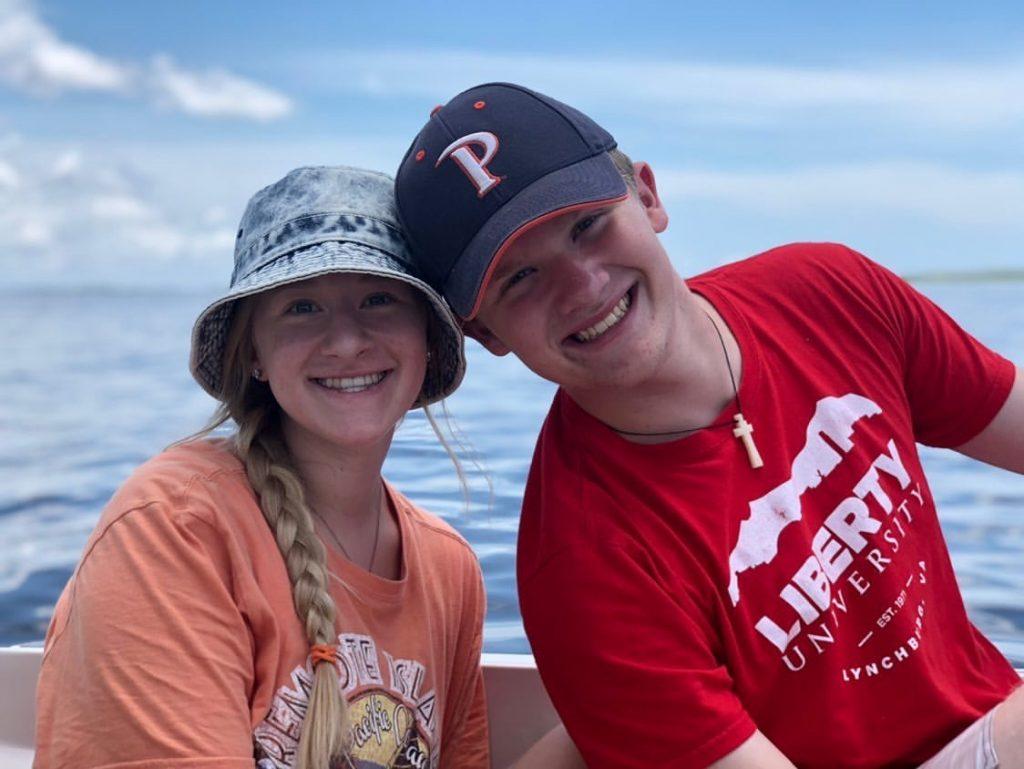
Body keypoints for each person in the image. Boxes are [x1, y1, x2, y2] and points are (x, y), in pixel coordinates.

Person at [394, 83, 1024, 768]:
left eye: (586, 225)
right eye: (520, 277)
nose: (581, 284)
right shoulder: (582, 566)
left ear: (647, 196)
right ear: (485, 332)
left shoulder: (828, 291)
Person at [34, 166, 490, 769]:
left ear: (427, 337)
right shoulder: (175, 525)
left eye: (379, 299)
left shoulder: (449, 569)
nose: (347, 341)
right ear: (254, 354)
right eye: (302, 307)